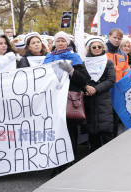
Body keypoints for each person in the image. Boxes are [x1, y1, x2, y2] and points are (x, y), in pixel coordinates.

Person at [43, 31, 88, 164]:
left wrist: (71, 71)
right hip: (52, 98)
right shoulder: (48, 57)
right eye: (58, 41)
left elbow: (83, 79)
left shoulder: (75, 57)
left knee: (70, 129)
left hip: (69, 98)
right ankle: (57, 159)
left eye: (63, 41)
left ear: (68, 43)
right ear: (54, 43)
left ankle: (71, 158)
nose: (60, 43)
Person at [82, 37, 116, 152]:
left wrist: (95, 89)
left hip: (103, 99)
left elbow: (111, 80)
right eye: (94, 47)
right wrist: (86, 87)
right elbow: (82, 79)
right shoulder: (84, 63)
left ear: (103, 48)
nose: (97, 49)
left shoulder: (108, 62)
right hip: (89, 100)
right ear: (89, 49)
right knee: (92, 133)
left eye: (99, 47)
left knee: (106, 131)